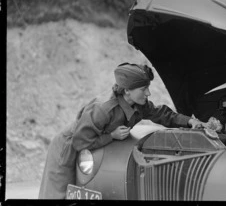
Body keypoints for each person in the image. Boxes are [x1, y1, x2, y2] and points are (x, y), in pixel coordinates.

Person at [38, 62, 207, 199]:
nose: (148, 93)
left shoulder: (139, 105)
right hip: (67, 147)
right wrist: (111, 136)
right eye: (143, 89)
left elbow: (162, 114)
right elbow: (80, 141)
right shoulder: (104, 109)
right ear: (127, 91)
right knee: (58, 195)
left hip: (88, 143)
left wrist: (190, 121)